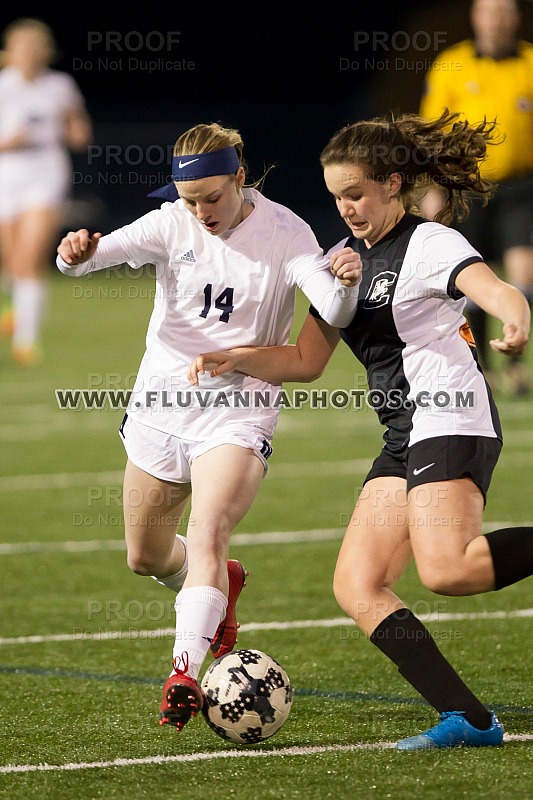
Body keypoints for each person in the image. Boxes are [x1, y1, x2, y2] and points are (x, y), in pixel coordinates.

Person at [187, 111, 533, 750]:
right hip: (403, 433)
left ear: (392, 184)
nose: (344, 208)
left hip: (451, 413)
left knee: (448, 569)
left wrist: (514, 319)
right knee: (356, 584)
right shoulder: (341, 261)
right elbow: (303, 360)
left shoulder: (428, 243)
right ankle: (470, 719)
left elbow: (496, 288)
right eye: (335, 197)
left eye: (355, 194)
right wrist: (236, 356)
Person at [55, 121, 362, 732]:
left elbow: (333, 309)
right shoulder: (172, 221)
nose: (200, 212)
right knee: (143, 558)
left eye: (212, 198)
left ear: (241, 178)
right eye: (189, 199)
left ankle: (183, 672)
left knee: (209, 527)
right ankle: (224, 584)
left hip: (239, 407)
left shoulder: (286, 231)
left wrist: (343, 282)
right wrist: (74, 255)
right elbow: (87, 263)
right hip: (161, 406)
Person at [418, 0, 533, 396]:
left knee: (525, 272)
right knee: (471, 279)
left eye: (504, 11)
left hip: (521, 186)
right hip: (466, 185)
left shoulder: (531, 62)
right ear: (475, 16)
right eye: (489, 11)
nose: (497, 20)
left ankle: (515, 364)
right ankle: (478, 366)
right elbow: (432, 132)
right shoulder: (453, 64)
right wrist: (433, 191)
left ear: (516, 17)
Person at [0, 17, 93, 366]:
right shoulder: (3, 86)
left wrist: (78, 133)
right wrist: (8, 143)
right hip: (6, 175)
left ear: (45, 52)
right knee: (11, 262)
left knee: (30, 257)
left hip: (46, 173)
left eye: (35, 48)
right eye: (22, 48)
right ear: (10, 52)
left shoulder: (60, 85)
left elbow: (76, 122)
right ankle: (13, 307)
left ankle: (26, 341)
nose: (28, 55)